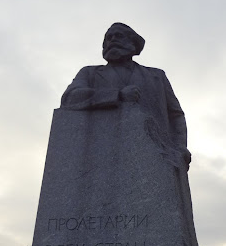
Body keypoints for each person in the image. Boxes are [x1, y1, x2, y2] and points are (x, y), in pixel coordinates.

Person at [61, 23, 191, 169]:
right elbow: (69, 98)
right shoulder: (89, 73)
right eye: (108, 38)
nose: (112, 40)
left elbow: (175, 115)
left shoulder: (157, 76)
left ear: (133, 43)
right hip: (102, 156)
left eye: (118, 36)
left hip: (155, 155)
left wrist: (180, 147)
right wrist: (117, 95)